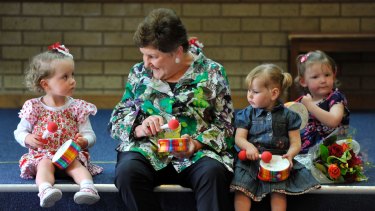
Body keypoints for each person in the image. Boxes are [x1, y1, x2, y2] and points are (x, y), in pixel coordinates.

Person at [108, 8, 235, 211]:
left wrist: (195, 144)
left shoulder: (212, 73)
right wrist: (140, 127)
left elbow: (226, 126)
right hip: (148, 149)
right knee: (127, 173)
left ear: (177, 52)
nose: (146, 63)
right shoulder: (139, 73)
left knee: (213, 173)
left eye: (153, 56)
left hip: (196, 154)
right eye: (143, 55)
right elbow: (117, 119)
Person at [14, 42, 103, 208]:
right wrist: (28, 139)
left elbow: (90, 134)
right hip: (44, 155)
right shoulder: (34, 107)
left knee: (75, 164)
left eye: (72, 75)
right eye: (65, 77)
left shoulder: (77, 107)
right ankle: (46, 190)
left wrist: (84, 141)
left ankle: (88, 188)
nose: (72, 81)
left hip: (68, 154)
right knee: (44, 165)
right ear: (45, 84)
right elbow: (19, 132)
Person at [230, 64, 320, 211]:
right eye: (249, 90)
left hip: (277, 161)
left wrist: (290, 155)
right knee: (242, 190)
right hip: (250, 161)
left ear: (273, 93)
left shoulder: (289, 116)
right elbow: (239, 138)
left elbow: (296, 142)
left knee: (278, 193)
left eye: (255, 91)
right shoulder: (246, 114)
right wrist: (248, 147)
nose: (249, 95)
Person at [295, 50, 350, 154]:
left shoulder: (336, 98)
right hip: (311, 141)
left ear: (333, 76)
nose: (323, 80)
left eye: (327, 75)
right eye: (315, 77)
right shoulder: (308, 100)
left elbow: (333, 121)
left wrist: (310, 106)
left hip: (333, 145)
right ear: (303, 81)